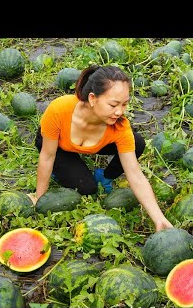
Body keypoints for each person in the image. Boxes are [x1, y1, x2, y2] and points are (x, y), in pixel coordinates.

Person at [31, 64, 173, 231]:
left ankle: (104, 176)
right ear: (92, 98)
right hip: (58, 146)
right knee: (86, 188)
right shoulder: (59, 109)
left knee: (137, 143)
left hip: (95, 142)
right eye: (113, 105)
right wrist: (40, 198)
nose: (119, 112)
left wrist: (159, 218)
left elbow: (135, 175)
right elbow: (47, 156)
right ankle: (61, 169)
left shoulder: (119, 126)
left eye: (124, 104)